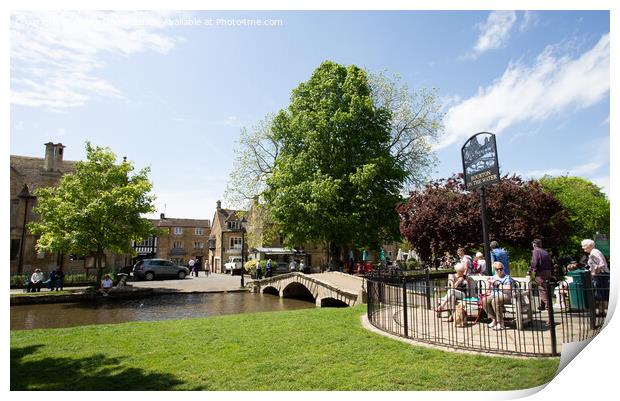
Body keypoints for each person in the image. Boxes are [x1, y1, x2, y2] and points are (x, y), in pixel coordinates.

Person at [482, 261, 514, 330]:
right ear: (494, 270)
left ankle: (500, 323)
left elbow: (508, 289)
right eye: (497, 269)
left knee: (495, 300)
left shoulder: (507, 277)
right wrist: (488, 283)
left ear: (503, 268)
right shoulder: (493, 277)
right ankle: (493, 319)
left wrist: (496, 283)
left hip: (505, 296)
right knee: (485, 300)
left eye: (501, 268)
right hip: (494, 295)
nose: (499, 270)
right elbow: (487, 290)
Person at [581, 239, 610, 314]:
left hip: (601, 275)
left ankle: (601, 311)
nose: (582, 247)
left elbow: (601, 264)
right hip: (602, 275)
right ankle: (601, 311)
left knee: (600, 293)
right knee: (600, 293)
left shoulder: (594, 252)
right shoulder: (594, 252)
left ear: (590, 246)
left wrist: (595, 272)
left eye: (584, 246)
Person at [529, 239, 554, 311]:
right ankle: (542, 306)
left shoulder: (535, 251)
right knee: (545, 288)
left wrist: (531, 270)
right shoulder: (545, 251)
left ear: (534, 244)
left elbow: (534, 262)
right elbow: (551, 263)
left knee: (542, 289)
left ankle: (549, 307)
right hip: (548, 271)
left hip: (541, 273)